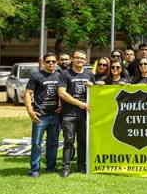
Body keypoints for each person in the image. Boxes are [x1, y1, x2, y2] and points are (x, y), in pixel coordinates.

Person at [58, 49, 95, 177]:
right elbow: (62, 93)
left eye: (82, 59)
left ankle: (81, 166)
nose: (80, 60)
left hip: (85, 115)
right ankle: (65, 168)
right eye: (77, 58)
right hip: (69, 114)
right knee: (68, 141)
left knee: (83, 141)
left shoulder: (89, 74)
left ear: (85, 61)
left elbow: (96, 94)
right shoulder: (65, 73)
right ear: (72, 59)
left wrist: (93, 86)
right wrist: (79, 103)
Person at [24, 52, 61, 177]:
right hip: (40, 115)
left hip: (55, 115)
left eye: (53, 61)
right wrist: (30, 111)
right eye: (48, 61)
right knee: (36, 144)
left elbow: (64, 92)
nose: (51, 64)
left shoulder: (60, 75)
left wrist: (62, 106)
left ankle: (51, 168)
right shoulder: (36, 76)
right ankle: (35, 169)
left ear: (56, 63)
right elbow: (28, 93)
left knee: (53, 143)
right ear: (44, 62)